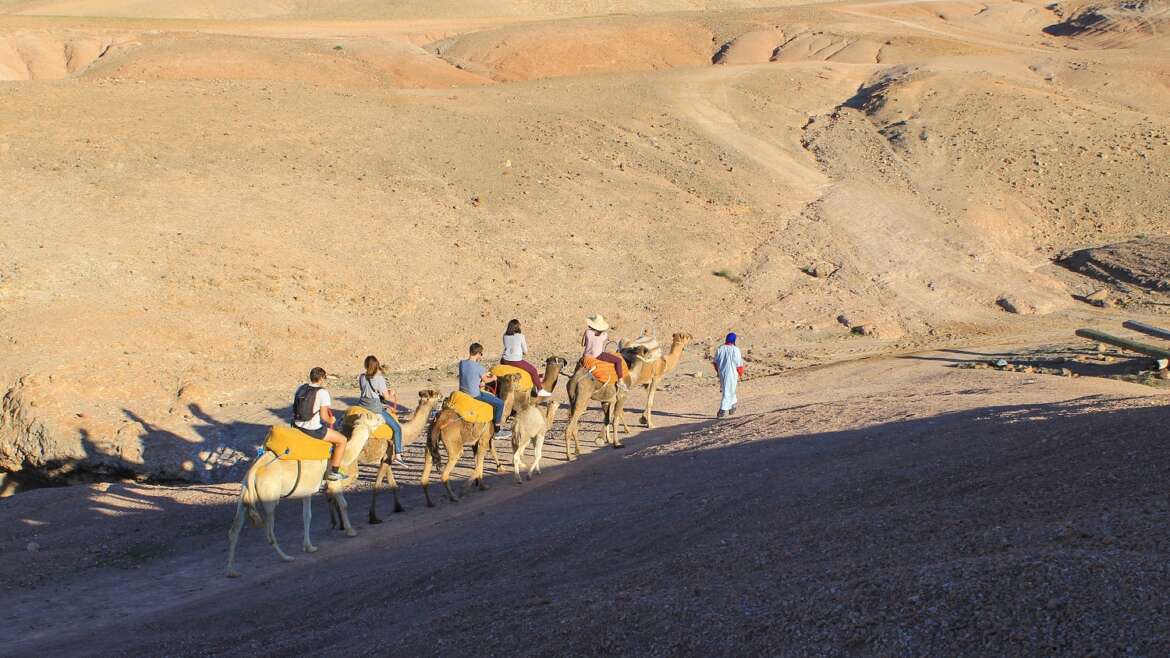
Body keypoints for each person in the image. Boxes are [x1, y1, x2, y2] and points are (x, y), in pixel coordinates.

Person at [292, 367, 348, 480]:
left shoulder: (301, 388)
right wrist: (331, 420)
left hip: (297, 424)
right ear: (321, 378)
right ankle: (334, 471)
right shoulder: (322, 392)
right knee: (342, 440)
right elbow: (324, 416)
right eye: (325, 378)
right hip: (312, 428)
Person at [358, 355, 406, 467]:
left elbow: (363, 390)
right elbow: (387, 397)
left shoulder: (361, 377)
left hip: (362, 405)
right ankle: (398, 455)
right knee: (397, 428)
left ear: (366, 365)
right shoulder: (379, 379)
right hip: (375, 408)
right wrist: (391, 393)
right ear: (377, 366)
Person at [459, 343, 512, 439]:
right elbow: (486, 380)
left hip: (463, 392)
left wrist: (482, 377)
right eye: (481, 354)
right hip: (474, 395)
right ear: (478, 353)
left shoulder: (462, 363)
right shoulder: (479, 367)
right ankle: (497, 430)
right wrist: (494, 378)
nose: (481, 356)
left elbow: (469, 376)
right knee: (500, 403)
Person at [501, 319, 553, 397]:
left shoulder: (505, 336)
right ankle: (540, 389)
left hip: (504, 360)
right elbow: (525, 351)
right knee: (533, 370)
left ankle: (535, 380)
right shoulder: (521, 336)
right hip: (515, 361)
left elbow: (507, 347)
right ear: (517, 327)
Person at [582, 314, 627, 391]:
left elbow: (583, 344)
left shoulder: (587, 332)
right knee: (618, 360)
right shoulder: (604, 335)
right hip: (598, 356)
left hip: (586, 355)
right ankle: (620, 380)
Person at [713, 332, 744, 418]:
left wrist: (718, 371)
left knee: (730, 389)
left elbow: (715, 362)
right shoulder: (735, 350)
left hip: (722, 372)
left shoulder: (720, 348)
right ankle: (722, 410)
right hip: (732, 373)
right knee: (727, 391)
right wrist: (741, 373)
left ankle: (732, 407)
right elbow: (739, 364)